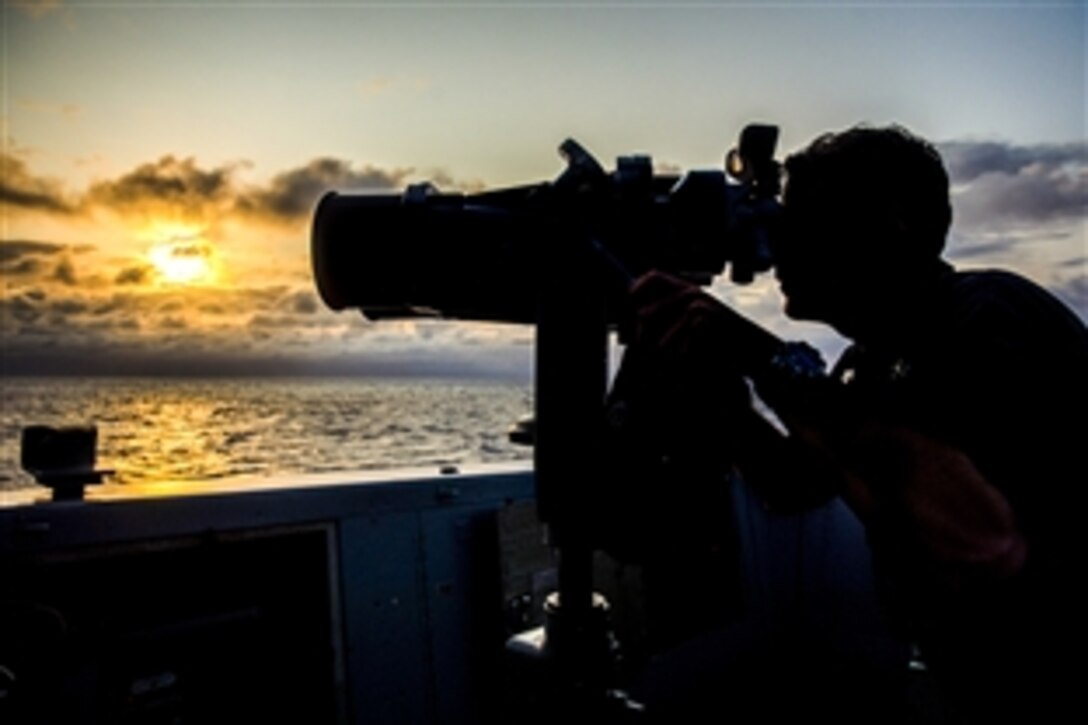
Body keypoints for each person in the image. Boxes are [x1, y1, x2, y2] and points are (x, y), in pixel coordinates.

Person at [627, 125, 1087, 722]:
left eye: (805, 224)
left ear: (891, 226)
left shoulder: (985, 314)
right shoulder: (872, 363)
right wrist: (718, 394)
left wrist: (759, 356)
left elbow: (982, 537)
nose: (780, 249)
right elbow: (798, 483)